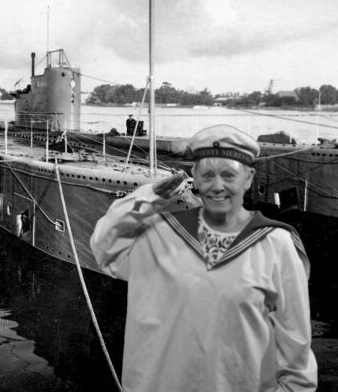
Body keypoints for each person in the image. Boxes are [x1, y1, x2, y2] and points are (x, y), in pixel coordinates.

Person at [90, 124, 317, 392]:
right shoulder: (160, 234)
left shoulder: (275, 244)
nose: (217, 187)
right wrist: (147, 197)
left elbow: (296, 349)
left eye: (229, 176)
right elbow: (105, 249)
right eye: (207, 175)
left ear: (249, 178)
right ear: (194, 178)